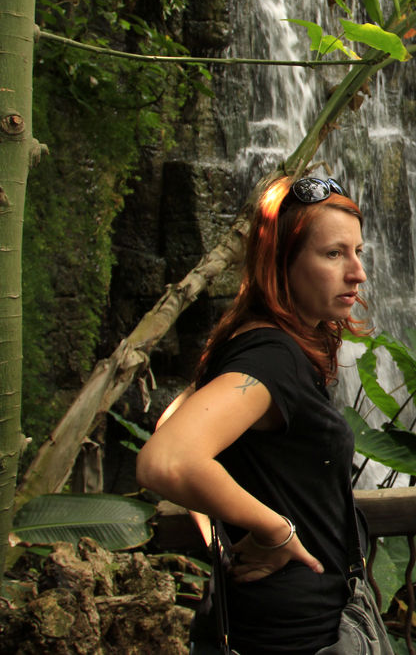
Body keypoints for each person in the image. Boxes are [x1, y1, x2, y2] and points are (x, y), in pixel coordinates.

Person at [137, 175, 369, 654]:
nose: (357, 273)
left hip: (283, 619)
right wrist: (273, 529)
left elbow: (170, 422)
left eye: (358, 252)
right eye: (333, 254)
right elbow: (167, 457)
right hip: (292, 637)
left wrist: (225, 537)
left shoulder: (256, 339)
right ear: (282, 262)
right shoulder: (272, 358)